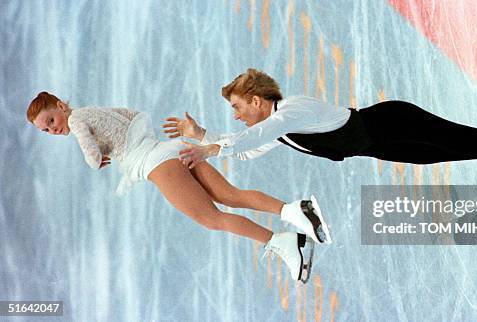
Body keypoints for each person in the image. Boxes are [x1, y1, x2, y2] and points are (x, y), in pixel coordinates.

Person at [26, 91, 332, 284]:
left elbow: (91, 156)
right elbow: (131, 114)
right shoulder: (92, 109)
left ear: (62, 105)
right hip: (168, 148)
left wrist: (97, 158)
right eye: (47, 130)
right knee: (230, 195)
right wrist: (117, 145)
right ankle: (296, 210)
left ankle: (289, 244)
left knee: (212, 219)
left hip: (156, 165)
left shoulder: (77, 120)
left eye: (51, 120)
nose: (54, 129)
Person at [167, 68, 477, 185]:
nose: (238, 116)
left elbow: (250, 136)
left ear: (258, 101)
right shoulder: (279, 130)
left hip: (394, 122)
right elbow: (248, 148)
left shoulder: (290, 112)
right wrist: (204, 137)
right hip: (388, 144)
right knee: (475, 147)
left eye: (239, 107)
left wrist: (210, 148)